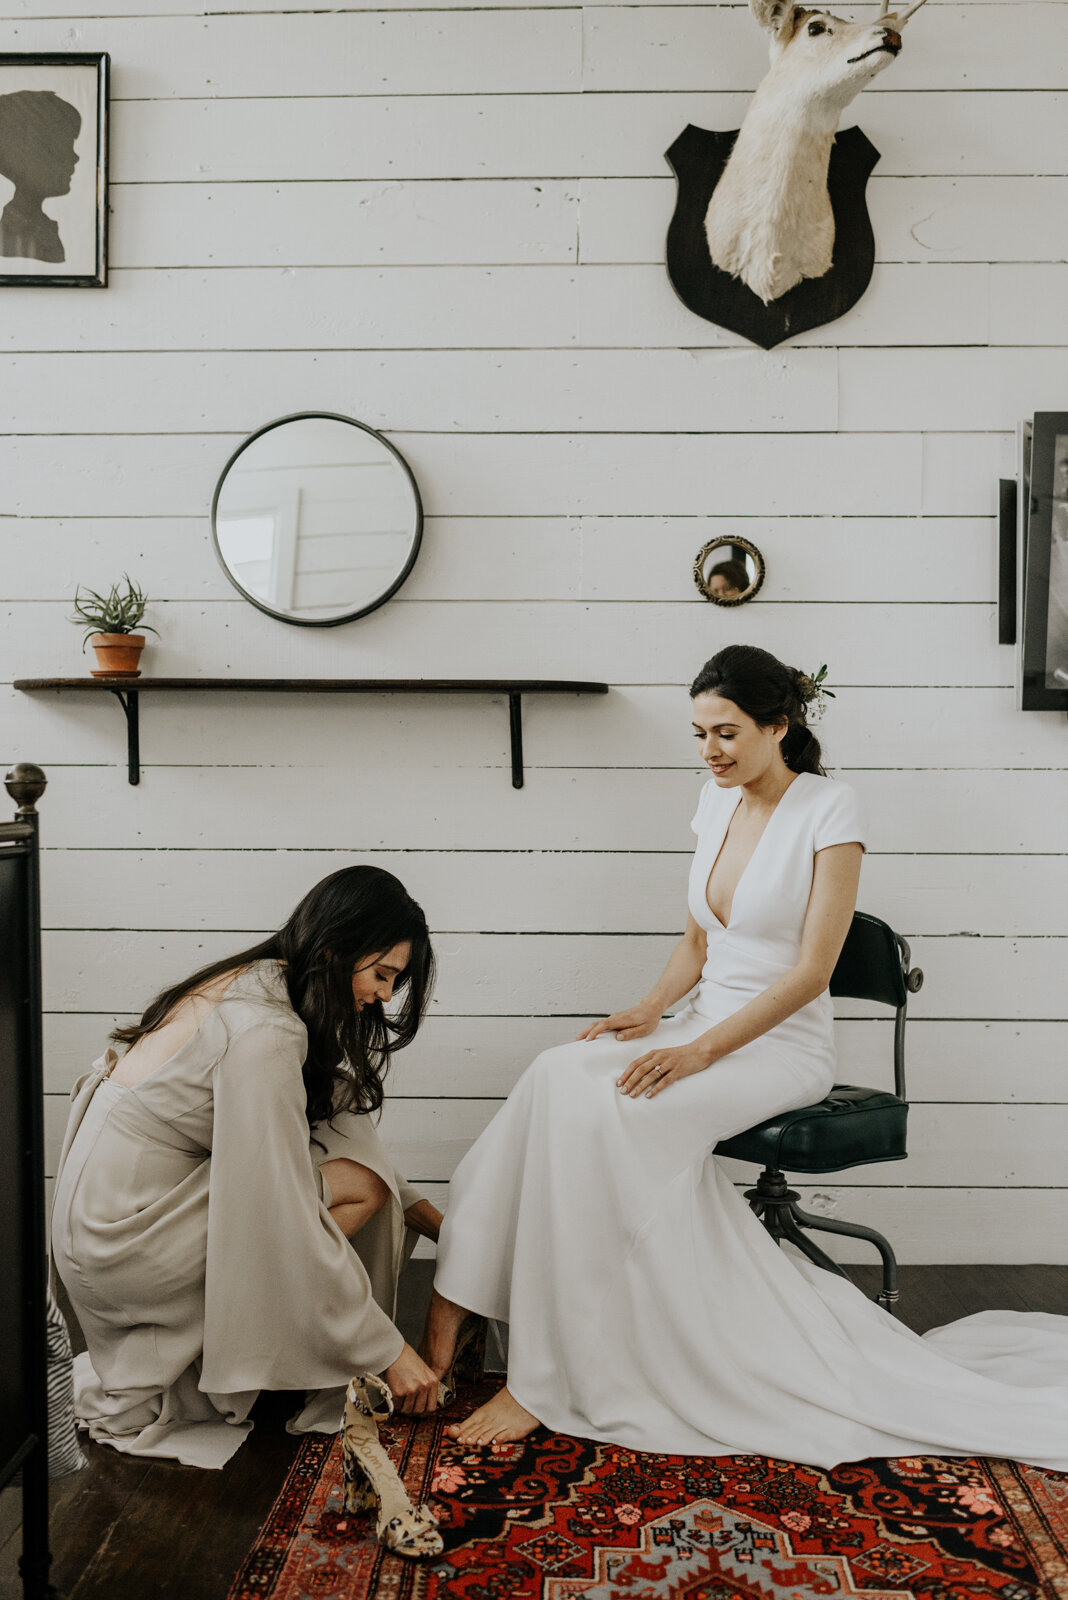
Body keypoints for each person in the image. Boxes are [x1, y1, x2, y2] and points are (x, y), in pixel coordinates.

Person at [421, 644, 1068, 1470]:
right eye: (699, 734)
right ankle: (468, 1295)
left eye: (726, 732)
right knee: (556, 1075)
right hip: (697, 1022)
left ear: (777, 725)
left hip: (777, 1047)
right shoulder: (712, 803)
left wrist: (696, 1053)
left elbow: (809, 975)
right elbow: (698, 938)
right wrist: (651, 1011)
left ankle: (552, 1375)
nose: (711, 751)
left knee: (618, 1118)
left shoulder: (830, 811)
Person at [51, 866, 446, 1469]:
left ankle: (313, 1305)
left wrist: (430, 1218)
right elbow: (282, 1212)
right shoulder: (265, 1030)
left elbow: (307, 1136)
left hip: (107, 1220)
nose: (386, 996)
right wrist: (385, 1347)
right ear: (337, 949)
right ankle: (309, 1328)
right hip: (123, 1249)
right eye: (383, 974)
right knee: (358, 1185)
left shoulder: (260, 981)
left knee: (340, 1113)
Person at [0, 89, 81, 263]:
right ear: (23, 155)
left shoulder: (42, 226)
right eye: (62, 147)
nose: (75, 157)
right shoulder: (13, 231)